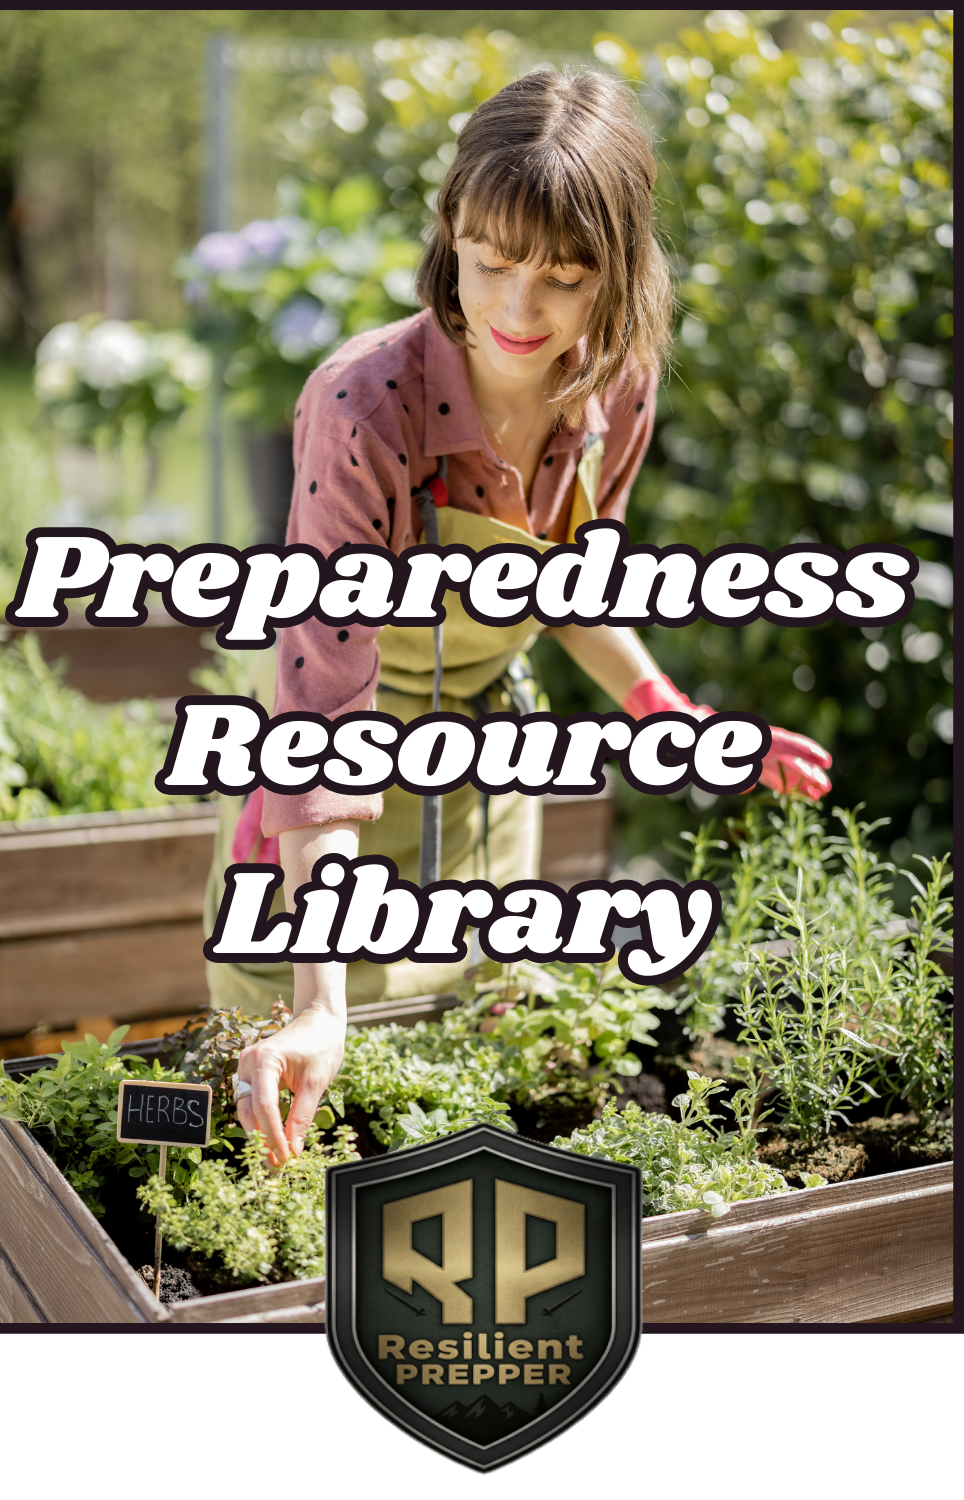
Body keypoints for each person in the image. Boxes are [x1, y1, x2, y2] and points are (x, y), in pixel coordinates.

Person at [228, 68, 831, 1163]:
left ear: (622, 273)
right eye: (492, 263)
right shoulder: (364, 406)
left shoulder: (620, 387)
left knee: (470, 1082)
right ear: (450, 232)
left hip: (485, 760)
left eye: (563, 276)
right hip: (326, 781)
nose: (516, 309)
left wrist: (662, 708)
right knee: (294, 1106)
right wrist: (322, 1004)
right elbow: (319, 717)